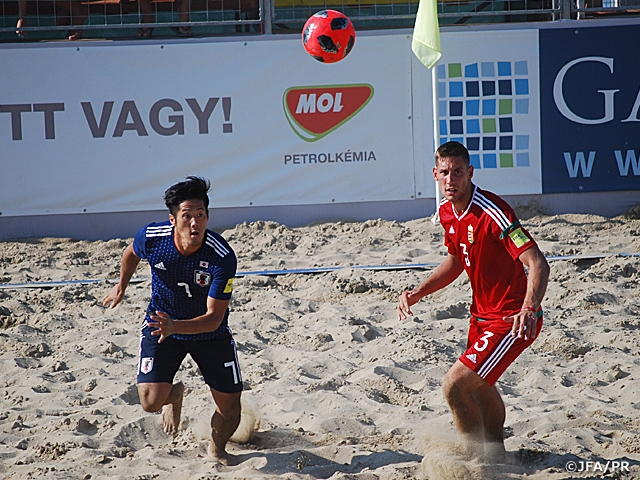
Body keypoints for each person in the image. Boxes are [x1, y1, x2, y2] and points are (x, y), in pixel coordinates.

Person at [397, 141, 550, 462]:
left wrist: (529, 307)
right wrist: (418, 292)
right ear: (434, 175)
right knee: (479, 388)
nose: (450, 180)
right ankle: (495, 454)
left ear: (470, 173)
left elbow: (537, 263)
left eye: (457, 173)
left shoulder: (493, 212)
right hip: (480, 317)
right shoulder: (445, 211)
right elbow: (455, 261)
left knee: (455, 386)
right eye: (444, 173)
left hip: (511, 318)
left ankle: (474, 459)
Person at [103, 176, 242, 465]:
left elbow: (214, 319)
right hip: (162, 324)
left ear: (208, 216)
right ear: (173, 219)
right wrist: (121, 286)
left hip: (207, 333)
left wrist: (176, 326)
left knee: (231, 411)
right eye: (187, 216)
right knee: (150, 402)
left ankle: (217, 449)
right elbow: (130, 254)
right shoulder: (152, 238)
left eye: (200, 215)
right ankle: (175, 394)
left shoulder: (222, 256)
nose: (195, 223)